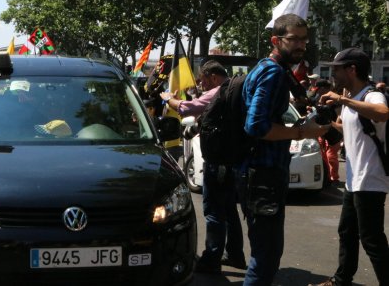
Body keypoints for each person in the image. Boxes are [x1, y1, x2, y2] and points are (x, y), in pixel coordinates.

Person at [239, 14, 328, 286]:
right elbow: (255, 126)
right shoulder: (272, 72)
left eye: (304, 39)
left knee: (266, 254)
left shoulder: (273, 69)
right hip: (262, 176)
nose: (301, 45)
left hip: (262, 173)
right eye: (294, 39)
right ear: (276, 41)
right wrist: (303, 132)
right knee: (265, 258)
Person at [310, 48, 389, 286]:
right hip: (355, 180)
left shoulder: (371, 95)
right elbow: (349, 130)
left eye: (336, 68)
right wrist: (326, 121)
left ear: (351, 69)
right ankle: (341, 279)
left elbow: (383, 113)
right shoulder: (351, 99)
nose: (333, 73)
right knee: (347, 232)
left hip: (371, 179)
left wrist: (342, 99)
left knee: (372, 239)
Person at [163, 60, 247, 273]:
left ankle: (212, 258)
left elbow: (187, 107)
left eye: (203, 79)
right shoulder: (234, 91)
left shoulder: (220, 91)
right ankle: (235, 254)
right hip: (231, 162)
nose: (201, 84)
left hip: (218, 163)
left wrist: (169, 99)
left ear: (213, 76)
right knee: (229, 211)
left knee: (214, 212)